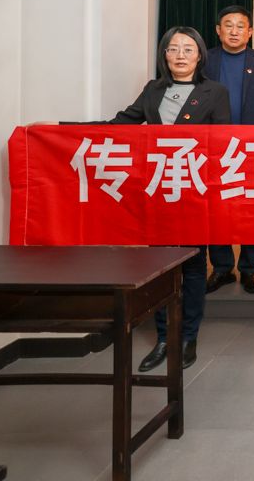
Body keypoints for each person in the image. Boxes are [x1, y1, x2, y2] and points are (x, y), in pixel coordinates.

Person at [64, 27, 230, 372]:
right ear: (164, 55)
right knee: (159, 266)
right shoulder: (153, 90)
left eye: (188, 49)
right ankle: (164, 338)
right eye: (173, 49)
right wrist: (62, 128)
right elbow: (118, 125)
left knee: (193, 266)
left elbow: (222, 143)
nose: (180, 55)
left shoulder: (215, 92)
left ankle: (188, 337)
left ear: (200, 55)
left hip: (194, 191)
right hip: (158, 192)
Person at [205, 5, 254, 296]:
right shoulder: (205, 60)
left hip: (253, 147)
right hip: (213, 146)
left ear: (250, 31)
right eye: (228, 25)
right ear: (218, 30)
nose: (234, 31)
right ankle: (222, 268)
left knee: (251, 209)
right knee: (217, 208)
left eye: (240, 26)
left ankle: (249, 268)